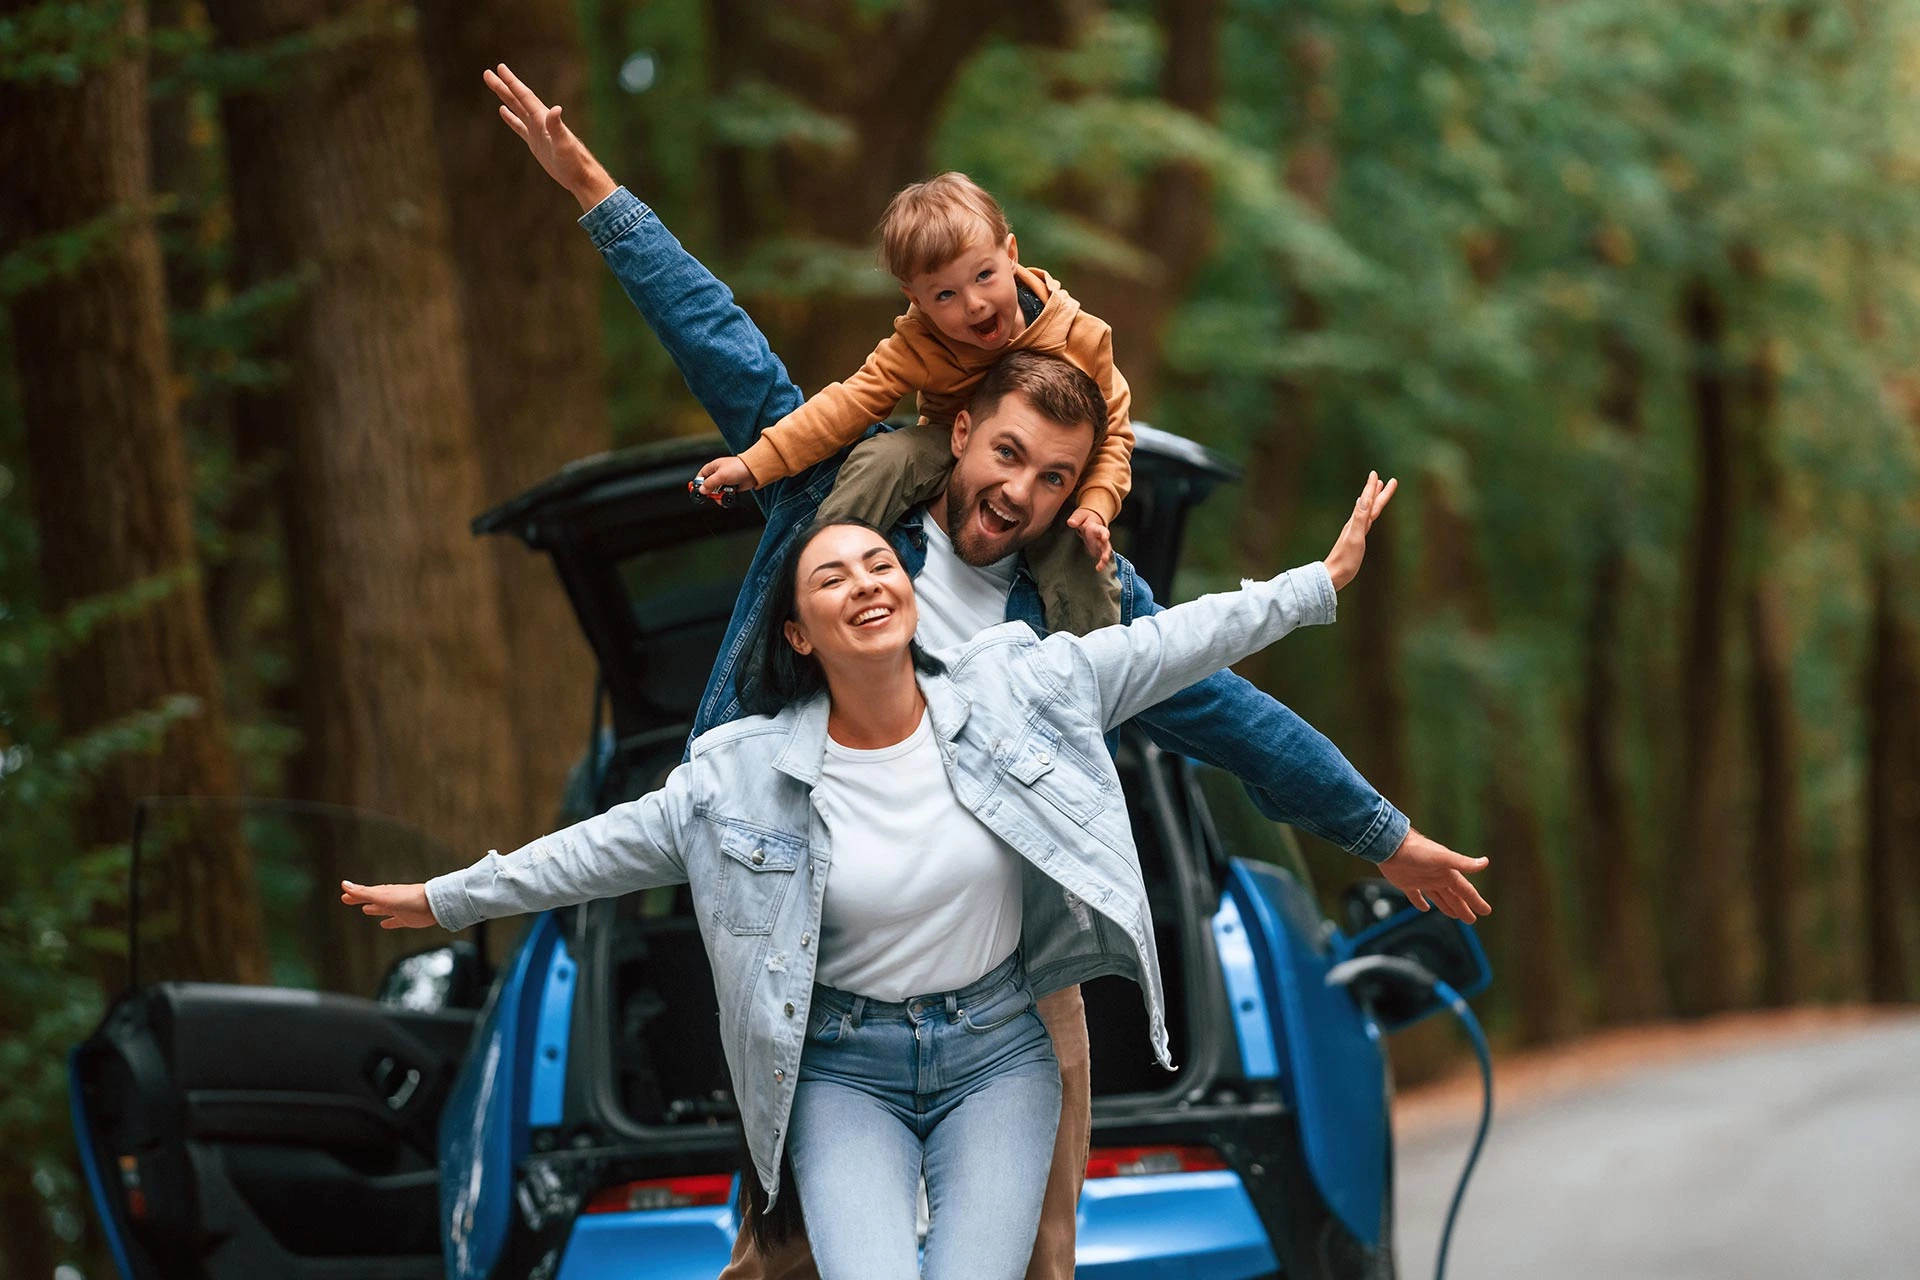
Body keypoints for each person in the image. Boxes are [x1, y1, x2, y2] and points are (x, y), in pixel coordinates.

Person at [480, 63, 1491, 1280]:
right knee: (786, 1262)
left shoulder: (1079, 608)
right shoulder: (844, 516)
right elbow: (725, 348)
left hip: (1014, 982)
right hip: (823, 978)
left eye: (1054, 477)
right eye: (1007, 454)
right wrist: (594, 190)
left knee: (1040, 1261)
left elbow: (1225, 711)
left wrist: (1381, 833)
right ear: (960, 432)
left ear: (1076, 488)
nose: (1020, 492)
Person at [342, 486, 1393, 1279]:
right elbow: (596, 847)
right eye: (831, 576)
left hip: (1000, 1052)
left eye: (877, 564)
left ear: (910, 594)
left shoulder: (1019, 685)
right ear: (799, 631)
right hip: (844, 1074)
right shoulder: (738, 771)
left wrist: (1318, 582)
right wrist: (446, 897)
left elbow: (1173, 643)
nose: (866, 582)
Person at [693, 171, 1133, 637]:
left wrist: (1097, 504)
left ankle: (1095, 677)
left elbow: (1116, 432)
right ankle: (819, 578)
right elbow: (848, 404)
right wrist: (757, 463)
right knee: (886, 456)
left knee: (1080, 551)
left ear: (1010, 254)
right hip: (948, 447)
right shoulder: (917, 343)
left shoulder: (1081, 336)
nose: (975, 304)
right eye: (945, 294)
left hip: (1043, 475)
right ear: (916, 298)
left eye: (984, 276)